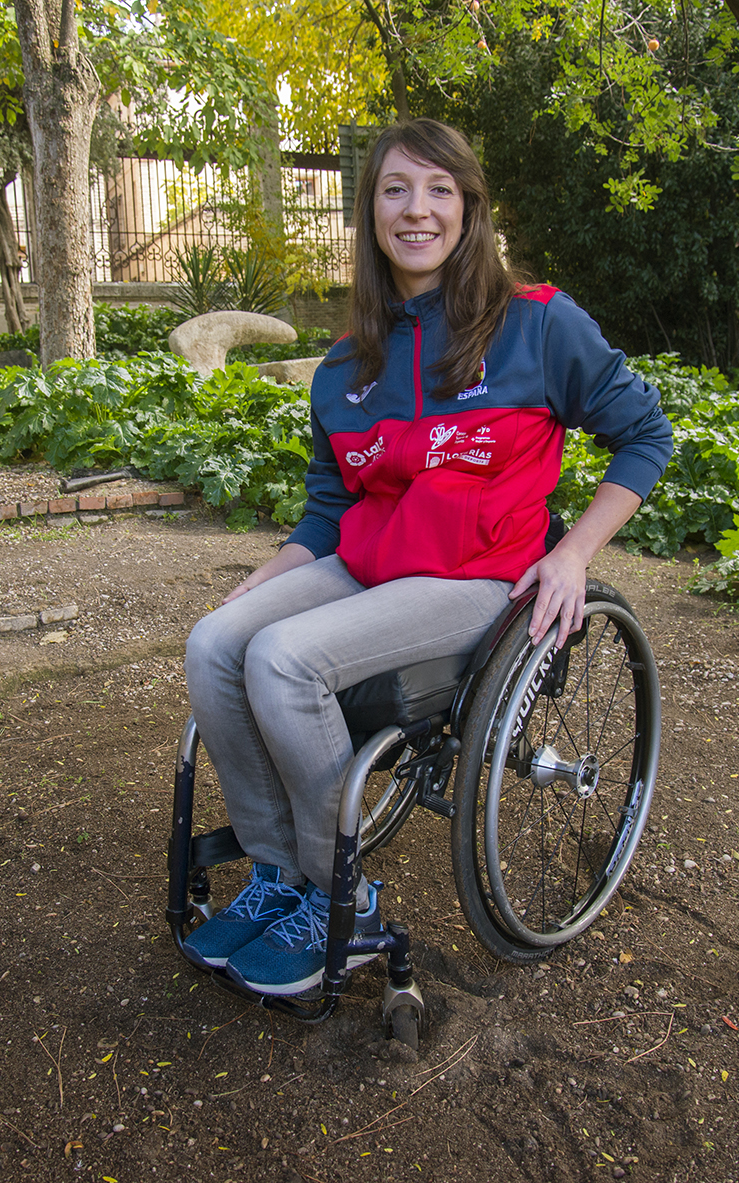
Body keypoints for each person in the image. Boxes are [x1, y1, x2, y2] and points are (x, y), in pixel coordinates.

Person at [181, 119, 673, 995]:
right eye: (395, 190)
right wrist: (266, 575)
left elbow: (645, 435)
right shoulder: (343, 369)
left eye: (439, 190)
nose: (418, 210)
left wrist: (574, 556)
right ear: (370, 214)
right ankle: (279, 876)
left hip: (480, 577)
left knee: (284, 660)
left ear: (469, 209)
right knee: (217, 641)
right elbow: (329, 513)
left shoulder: (536, 325)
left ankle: (346, 900)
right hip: (371, 564)